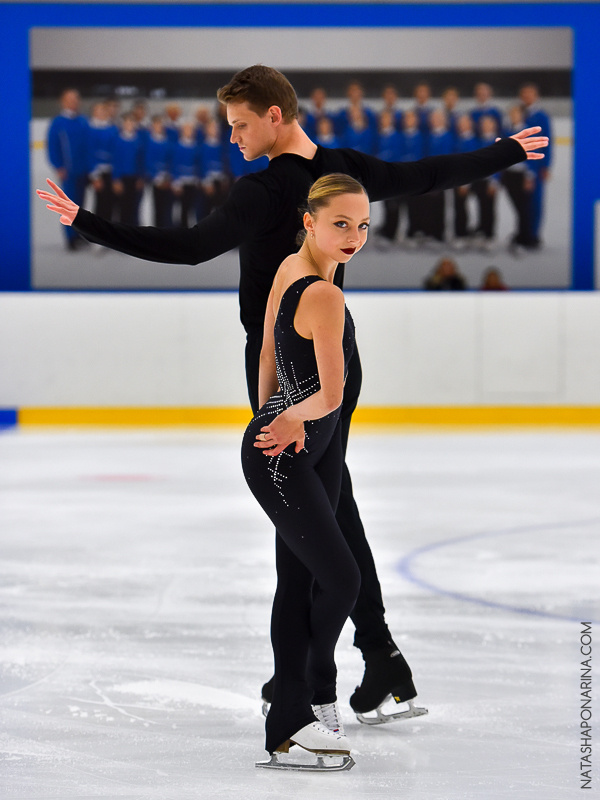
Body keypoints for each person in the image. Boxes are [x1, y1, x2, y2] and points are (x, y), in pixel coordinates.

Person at [37, 64, 548, 725]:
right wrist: (504, 152)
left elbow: (191, 248)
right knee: (330, 509)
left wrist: (88, 221)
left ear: (274, 116)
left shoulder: (267, 190)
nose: (233, 137)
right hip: (337, 362)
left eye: (241, 124)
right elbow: (427, 173)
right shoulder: (344, 169)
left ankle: (314, 683)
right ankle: (374, 663)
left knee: (310, 522)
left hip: (283, 368)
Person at [243, 173, 366, 769]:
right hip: (292, 452)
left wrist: (266, 413)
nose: (354, 236)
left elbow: (268, 353)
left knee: (298, 585)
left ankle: (290, 718)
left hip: (304, 449)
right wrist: (285, 421)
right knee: (342, 580)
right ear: (309, 220)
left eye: (363, 225)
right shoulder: (323, 292)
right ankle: (310, 693)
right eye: (341, 223)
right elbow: (332, 393)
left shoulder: (292, 268)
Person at [46, 88, 89, 251]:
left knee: (80, 206)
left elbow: (88, 146)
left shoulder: (83, 121)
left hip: (83, 170)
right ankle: (70, 238)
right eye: (70, 99)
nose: (74, 102)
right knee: (68, 206)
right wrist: (58, 166)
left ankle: (79, 235)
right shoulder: (58, 122)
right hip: (68, 171)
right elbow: (52, 146)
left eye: (76, 99)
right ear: (63, 102)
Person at [519, 82, 552, 247]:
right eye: (524, 94)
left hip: (537, 164)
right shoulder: (520, 113)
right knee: (523, 202)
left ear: (536, 96)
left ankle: (534, 234)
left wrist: (546, 165)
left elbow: (547, 142)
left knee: (535, 201)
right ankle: (524, 232)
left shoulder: (541, 116)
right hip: (521, 164)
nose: (526, 97)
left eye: (529, 94)